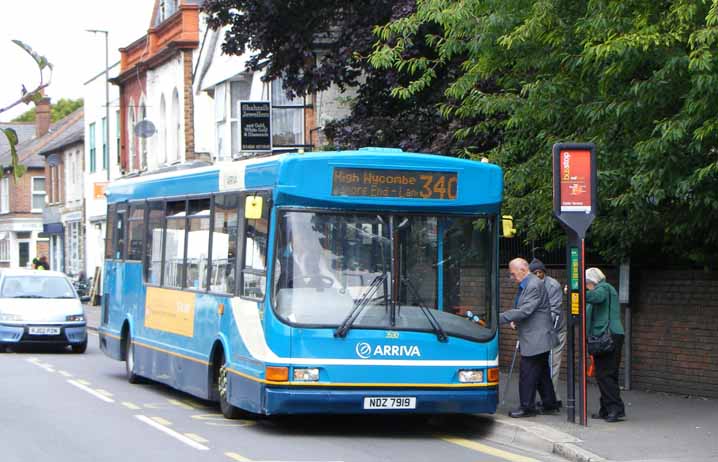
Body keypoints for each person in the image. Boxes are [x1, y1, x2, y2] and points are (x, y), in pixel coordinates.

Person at [500, 258, 560, 418]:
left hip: (536, 338)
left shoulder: (533, 285)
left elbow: (525, 310)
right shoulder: (530, 284)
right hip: (539, 337)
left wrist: (499, 317)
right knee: (541, 373)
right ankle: (550, 403)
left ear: (523, 269)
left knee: (527, 373)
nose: (512, 278)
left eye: (513, 274)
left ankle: (527, 407)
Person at [585, 267, 626, 423]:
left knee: (605, 375)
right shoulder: (604, 289)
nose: (586, 287)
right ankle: (607, 409)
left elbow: (596, 297)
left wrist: (578, 291)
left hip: (608, 336)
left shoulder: (604, 288)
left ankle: (615, 409)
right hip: (609, 336)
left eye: (586, 284)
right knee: (607, 374)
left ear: (591, 281)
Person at [529, 258, 566, 407]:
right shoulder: (530, 285)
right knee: (541, 363)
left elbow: (554, 309)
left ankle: (553, 397)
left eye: (540, 272)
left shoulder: (553, 285)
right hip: (539, 329)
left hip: (555, 329)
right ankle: (548, 396)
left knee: (553, 363)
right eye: (535, 272)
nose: (538, 275)